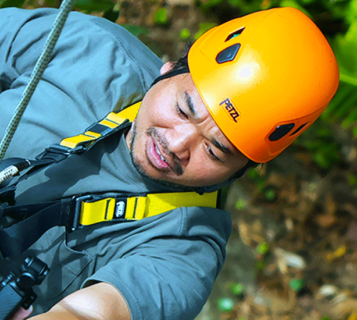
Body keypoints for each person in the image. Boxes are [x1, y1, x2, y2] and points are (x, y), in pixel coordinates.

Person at [0, 5, 339, 320]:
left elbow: (94, 312)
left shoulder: (184, 247)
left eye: (216, 150)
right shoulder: (89, 51)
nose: (177, 143)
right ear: (168, 69)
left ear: (243, 170)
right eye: (183, 110)